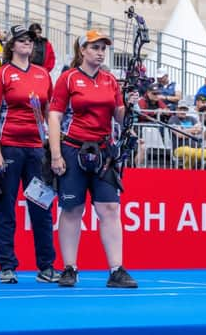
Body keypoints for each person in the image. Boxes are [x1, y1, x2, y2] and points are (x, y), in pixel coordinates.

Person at [48, 29, 139, 288]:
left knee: (109, 208)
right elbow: (54, 116)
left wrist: (130, 104)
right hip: (73, 148)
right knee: (72, 209)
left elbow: (120, 117)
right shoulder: (68, 78)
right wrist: (56, 154)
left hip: (103, 151)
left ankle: (116, 269)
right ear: (82, 50)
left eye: (103, 48)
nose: (100, 53)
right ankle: (69, 268)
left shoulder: (110, 80)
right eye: (94, 47)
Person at [0, 25, 59, 284]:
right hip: (9, 148)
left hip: (36, 150)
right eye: (22, 40)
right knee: (5, 208)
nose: (28, 43)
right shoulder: (1, 75)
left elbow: (51, 114)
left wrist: (53, 149)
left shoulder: (43, 74)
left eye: (30, 40)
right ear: (12, 45)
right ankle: (7, 266)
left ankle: (46, 267)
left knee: (41, 207)